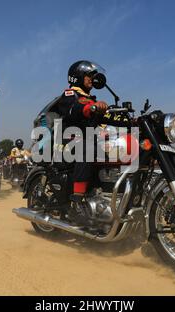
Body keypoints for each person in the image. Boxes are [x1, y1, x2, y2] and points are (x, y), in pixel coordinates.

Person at [53, 60, 129, 224]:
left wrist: (131, 121)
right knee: (87, 148)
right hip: (69, 142)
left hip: (89, 140)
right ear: (78, 76)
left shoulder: (92, 100)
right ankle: (77, 202)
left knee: (121, 148)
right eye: (89, 75)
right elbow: (73, 110)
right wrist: (89, 108)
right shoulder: (69, 95)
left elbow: (108, 117)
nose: (92, 79)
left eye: (94, 75)